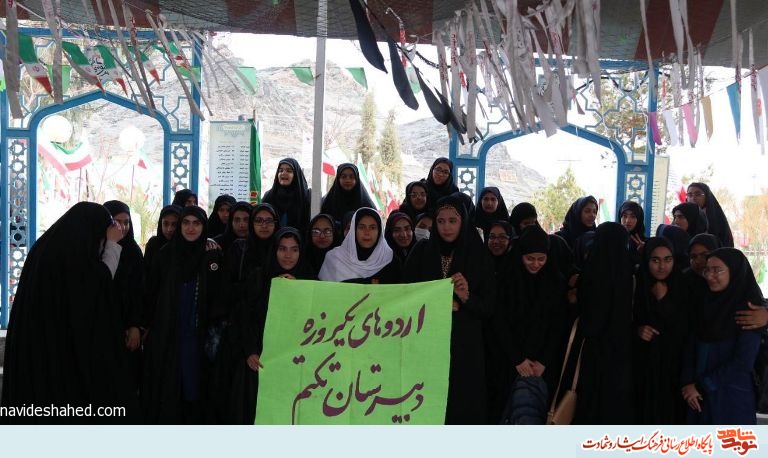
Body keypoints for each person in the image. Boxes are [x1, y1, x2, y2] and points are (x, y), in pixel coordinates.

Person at [1, 202, 138, 423]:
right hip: (56, 350)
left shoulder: (46, 248)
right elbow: (99, 285)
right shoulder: (72, 257)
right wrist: (112, 245)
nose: (101, 244)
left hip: (37, 345)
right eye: (100, 238)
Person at [403, 194, 495, 424]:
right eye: (441, 221)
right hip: (426, 343)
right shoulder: (421, 252)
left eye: (452, 221)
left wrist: (466, 297)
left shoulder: (478, 255)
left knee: (461, 405)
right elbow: (404, 296)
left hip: (465, 347)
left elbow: (488, 308)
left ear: (463, 221)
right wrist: (437, 303)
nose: (446, 227)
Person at [142, 206, 222, 424]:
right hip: (168, 331)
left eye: (196, 223)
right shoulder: (165, 255)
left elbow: (219, 293)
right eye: (185, 223)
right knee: (169, 384)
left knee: (194, 385)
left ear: (204, 227)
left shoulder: (211, 255)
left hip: (198, 333)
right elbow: (151, 293)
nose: (190, 228)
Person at [493, 225, 566, 424]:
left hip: (542, 366)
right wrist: (517, 359)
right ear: (520, 256)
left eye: (541, 259)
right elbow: (499, 322)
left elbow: (558, 325)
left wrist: (543, 361)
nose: (535, 264)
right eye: (530, 259)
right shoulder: (506, 280)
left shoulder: (555, 281)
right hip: (509, 363)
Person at [682, 248, 763, 424]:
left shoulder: (750, 311)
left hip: (731, 396)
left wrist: (702, 386)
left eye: (717, 270)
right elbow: (690, 345)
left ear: (734, 272)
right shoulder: (703, 303)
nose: (710, 276)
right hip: (697, 396)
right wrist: (688, 383)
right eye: (707, 270)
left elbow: (743, 362)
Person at [574, 222, 635, 424]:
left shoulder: (592, 270)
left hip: (593, 351)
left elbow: (590, 317)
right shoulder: (627, 271)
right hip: (620, 351)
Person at [633, 237, 689, 424]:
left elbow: (687, 327)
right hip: (642, 367)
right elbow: (622, 321)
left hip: (674, 369)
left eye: (668, 260)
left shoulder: (683, 285)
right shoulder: (636, 283)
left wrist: (664, 301)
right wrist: (637, 330)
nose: (662, 266)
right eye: (655, 260)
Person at [103, 200, 145, 397]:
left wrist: (135, 325)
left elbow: (139, 291)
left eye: (126, 222)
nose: (123, 227)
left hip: (127, 326)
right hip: (104, 323)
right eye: (116, 222)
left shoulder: (134, 252)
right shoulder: (97, 249)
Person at [319, 208, 401, 284]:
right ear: (354, 230)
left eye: (372, 228)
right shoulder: (334, 258)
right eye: (362, 227)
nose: (367, 232)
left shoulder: (390, 259)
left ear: (379, 231)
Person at [262, 158, 311, 234]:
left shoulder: (305, 196)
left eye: (289, 171)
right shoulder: (269, 196)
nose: (283, 173)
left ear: (296, 175)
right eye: (280, 170)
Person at [687, 182, 734, 248]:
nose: (693, 198)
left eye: (698, 194)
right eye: (690, 195)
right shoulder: (680, 217)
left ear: (707, 196)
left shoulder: (717, 219)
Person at [144, 205, 182, 272]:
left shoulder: (185, 246)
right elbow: (145, 271)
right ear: (160, 224)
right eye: (165, 224)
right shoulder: (153, 244)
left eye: (174, 224)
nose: (169, 229)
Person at [617, 200, 646, 265]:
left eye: (633, 216)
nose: (628, 221)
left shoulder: (644, 243)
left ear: (639, 220)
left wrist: (645, 252)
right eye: (624, 216)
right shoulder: (613, 239)